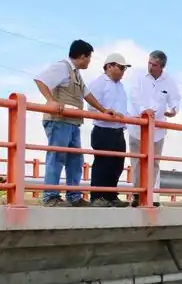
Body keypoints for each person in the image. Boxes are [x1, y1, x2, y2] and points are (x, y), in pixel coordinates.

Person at [34, 39, 119, 207]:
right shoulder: (62, 67)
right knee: (57, 156)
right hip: (59, 120)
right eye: (89, 58)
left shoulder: (76, 73)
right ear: (82, 56)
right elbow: (40, 79)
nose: (89, 61)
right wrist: (50, 100)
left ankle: (74, 196)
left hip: (73, 121)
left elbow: (86, 94)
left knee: (75, 159)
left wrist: (103, 110)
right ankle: (50, 196)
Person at [127, 49, 180, 207]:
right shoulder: (138, 76)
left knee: (154, 163)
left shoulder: (169, 81)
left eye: (154, 65)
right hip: (138, 127)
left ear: (161, 67)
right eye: (149, 63)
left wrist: (173, 109)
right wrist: (145, 111)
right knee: (137, 162)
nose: (150, 67)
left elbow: (175, 98)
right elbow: (134, 96)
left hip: (157, 130)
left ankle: (148, 195)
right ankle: (137, 195)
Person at [86, 53, 131, 207]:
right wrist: (106, 113)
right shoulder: (99, 83)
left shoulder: (121, 86)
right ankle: (97, 196)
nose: (123, 71)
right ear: (109, 66)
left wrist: (130, 118)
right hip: (103, 129)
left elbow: (123, 109)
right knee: (103, 163)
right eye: (121, 67)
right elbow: (91, 107)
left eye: (124, 68)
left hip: (118, 130)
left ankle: (111, 195)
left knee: (117, 164)